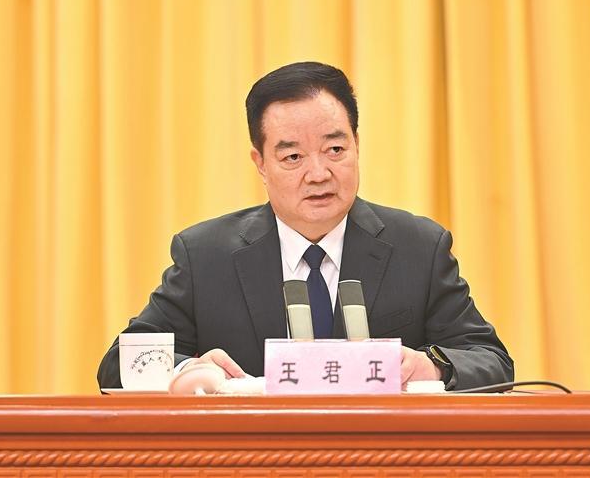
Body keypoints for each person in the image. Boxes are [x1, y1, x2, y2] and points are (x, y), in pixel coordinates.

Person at [97, 61, 513, 391]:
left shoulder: (418, 247)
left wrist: (432, 367)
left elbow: (492, 361)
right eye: (293, 157)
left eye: (335, 149)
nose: (318, 174)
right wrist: (187, 370)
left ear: (356, 145)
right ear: (261, 164)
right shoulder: (206, 256)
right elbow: (119, 364)